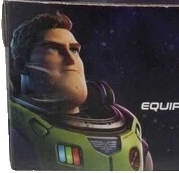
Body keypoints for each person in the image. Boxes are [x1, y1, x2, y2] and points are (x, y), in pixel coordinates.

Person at [8, 11, 152, 170]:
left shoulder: (129, 134)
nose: (70, 59)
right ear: (21, 65)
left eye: (74, 50)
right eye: (54, 49)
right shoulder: (18, 134)